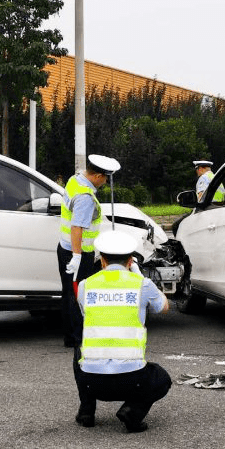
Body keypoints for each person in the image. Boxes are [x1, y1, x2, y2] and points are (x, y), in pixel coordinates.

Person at [73, 230, 172, 432]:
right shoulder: (141, 284)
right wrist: (139, 276)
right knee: (162, 378)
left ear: (102, 261)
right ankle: (132, 411)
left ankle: (86, 411)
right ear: (130, 260)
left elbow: (86, 314)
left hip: (92, 382)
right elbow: (164, 306)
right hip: (131, 381)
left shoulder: (85, 285)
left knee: (80, 351)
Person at [57, 155, 119, 348]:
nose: (106, 182)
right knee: (78, 296)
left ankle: (69, 336)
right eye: (105, 178)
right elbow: (77, 227)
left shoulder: (75, 180)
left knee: (69, 293)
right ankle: (78, 339)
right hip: (78, 253)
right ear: (98, 176)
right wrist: (77, 256)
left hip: (65, 247)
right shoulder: (85, 197)